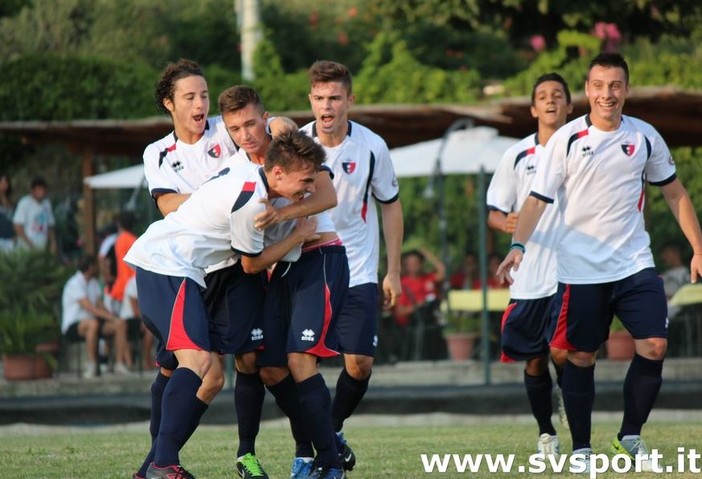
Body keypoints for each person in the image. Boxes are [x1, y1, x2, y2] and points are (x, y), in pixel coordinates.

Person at [496, 53, 702, 469]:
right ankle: (582, 449)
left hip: (633, 262)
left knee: (655, 344)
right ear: (588, 90)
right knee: (581, 357)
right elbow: (537, 200)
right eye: (599, 86)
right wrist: (518, 245)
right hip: (580, 271)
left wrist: (698, 247)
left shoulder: (645, 137)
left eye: (615, 86)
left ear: (625, 89)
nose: (607, 94)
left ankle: (629, 437)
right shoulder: (566, 140)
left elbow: (674, 192)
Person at [125, 130, 324, 479]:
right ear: (278, 172)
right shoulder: (250, 199)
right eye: (306, 179)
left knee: (173, 367)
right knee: (199, 361)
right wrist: (298, 234)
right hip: (170, 266)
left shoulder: (248, 177)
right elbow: (251, 264)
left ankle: (150, 469)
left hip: (167, 264)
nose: (309, 188)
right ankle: (162, 464)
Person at [133, 59, 295, 479]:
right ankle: (159, 461)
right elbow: (168, 205)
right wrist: (223, 194)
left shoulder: (229, 127)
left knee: (227, 367)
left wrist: (281, 129)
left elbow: (276, 125)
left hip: (227, 264)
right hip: (180, 262)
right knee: (186, 365)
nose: (201, 103)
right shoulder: (160, 153)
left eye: (204, 94)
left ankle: (227, 456)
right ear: (170, 104)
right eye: (190, 97)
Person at [217, 85, 337, 479]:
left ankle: (320, 451)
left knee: (293, 363)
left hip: (305, 261)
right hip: (258, 269)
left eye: (251, 123)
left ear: (265, 119)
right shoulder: (236, 167)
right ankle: (250, 454)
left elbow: (327, 196)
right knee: (255, 364)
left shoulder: (286, 141)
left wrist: (286, 219)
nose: (245, 134)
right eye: (235, 127)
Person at [296, 60, 403, 472]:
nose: (327, 107)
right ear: (311, 99)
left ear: (349, 100)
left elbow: (391, 208)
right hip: (308, 268)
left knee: (359, 364)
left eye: (335, 98)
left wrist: (391, 270)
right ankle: (310, 453)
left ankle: (331, 430)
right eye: (320, 98)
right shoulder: (296, 143)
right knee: (304, 362)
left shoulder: (372, 147)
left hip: (357, 268)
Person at [486, 72, 573, 456]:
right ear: (534, 108)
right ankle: (546, 434)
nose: (551, 101)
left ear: (570, 105)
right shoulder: (517, 154)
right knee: (535, 361)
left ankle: (573, 400)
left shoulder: (583, 148)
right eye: (543, 96)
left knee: (563, 350)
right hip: (528, 273)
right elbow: (495, 211)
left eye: (558, 95)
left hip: (573, 268)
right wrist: (507, 222)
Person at [61, 255, 129, 378]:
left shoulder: (94, 283)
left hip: (93, 321)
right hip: (74, 324)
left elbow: (99, 305)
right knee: (92, 324)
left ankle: (119, 364)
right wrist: (110, 318)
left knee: (120, 324)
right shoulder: (74, 284)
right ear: (90, 267)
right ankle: (91, 364)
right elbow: (90, 308)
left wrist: (112, 317)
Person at [13, 175, 57, 253]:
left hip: (42, 247)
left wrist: (53, 243)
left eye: (43, 190)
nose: (41, 193)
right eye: (38, 190)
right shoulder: (24, 203)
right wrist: (30, 244)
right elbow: (17, 226)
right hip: (26, 249)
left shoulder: (47, 204)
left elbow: (50, 225)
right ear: (32, 190)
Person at [120, 274, 155, 371]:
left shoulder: (149, 282)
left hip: (140, 317)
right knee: (149, 330)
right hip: (129, 318)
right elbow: (135, 309)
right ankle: (146, 361)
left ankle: (148, 360)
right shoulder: (132, 282)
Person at [659, 241, 690, 320]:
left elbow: (687, 297)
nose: (663, 256)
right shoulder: (665, 274)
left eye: (666, 253)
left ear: (676, 253)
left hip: (671, 312)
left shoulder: (685, 274)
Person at [0, 173, 16, 252]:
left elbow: (14, 219)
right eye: (2, 182)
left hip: (10, 238)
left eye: (6, 183)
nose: (4, 185)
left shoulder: (11, 201)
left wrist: (15, 235)